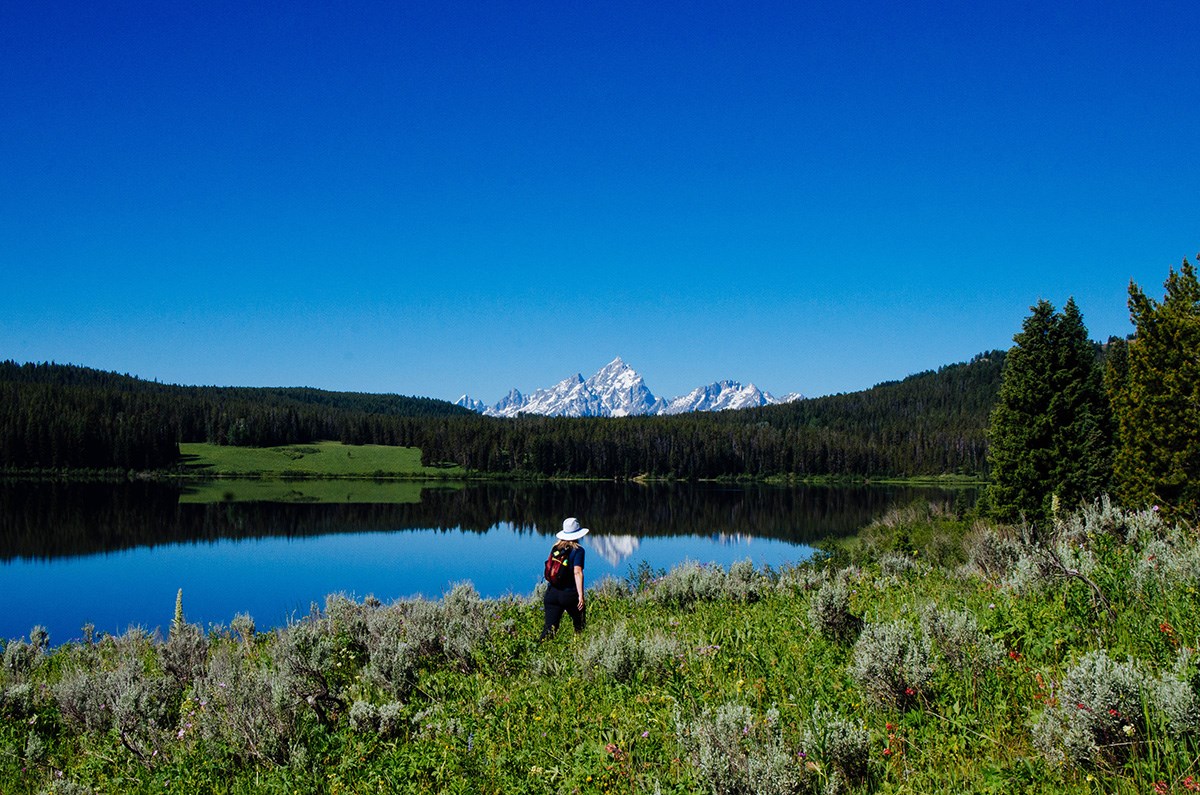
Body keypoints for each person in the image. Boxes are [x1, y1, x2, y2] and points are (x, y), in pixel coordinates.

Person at [540, 517, 589, 640]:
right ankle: (579, 647)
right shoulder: (578, 551)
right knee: (580, 624)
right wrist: (580, 596)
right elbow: (577, 573)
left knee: (549, 628)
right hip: (569, 594)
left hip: (551, 593)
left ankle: (539, 650)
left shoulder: (555, 548)